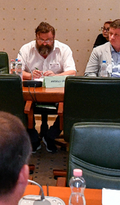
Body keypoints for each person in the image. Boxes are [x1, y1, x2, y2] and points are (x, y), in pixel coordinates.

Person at [18, 21, 77, 152]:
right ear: (36, 37)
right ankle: (32, 137)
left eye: (48, 40)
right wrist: (30, 75)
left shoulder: (64, 49)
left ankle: (51, 135)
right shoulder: (26, 49)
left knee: (72, 102)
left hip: (56, 93)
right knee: (18, 101)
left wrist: (55, 76)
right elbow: (16, 71)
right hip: (32, 93)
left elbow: (72, 72)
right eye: (41, 40)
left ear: (54, 38)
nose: (44, 43)